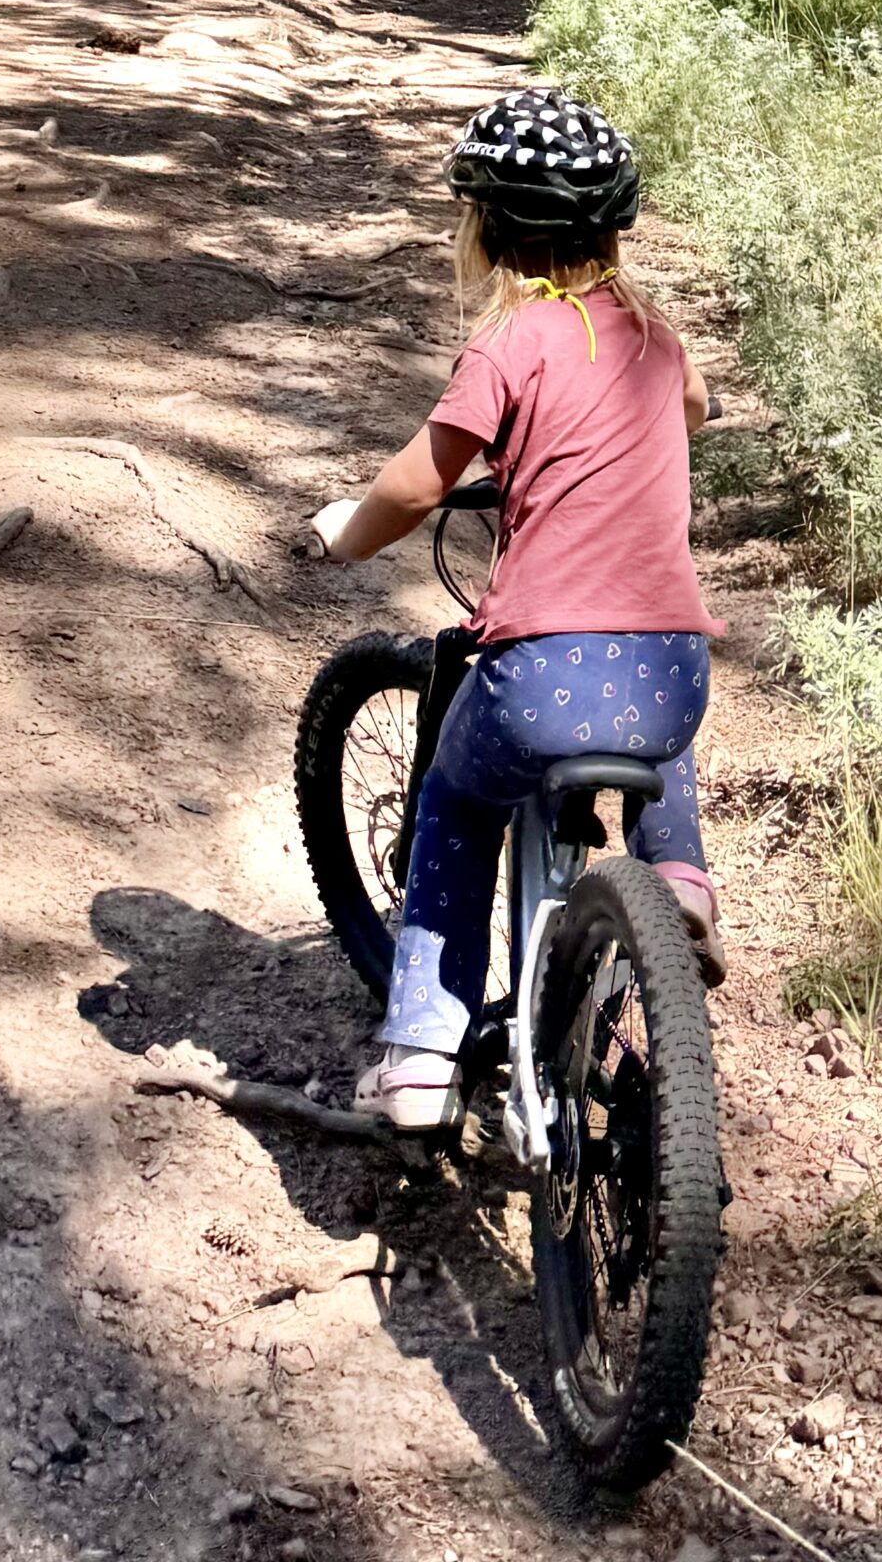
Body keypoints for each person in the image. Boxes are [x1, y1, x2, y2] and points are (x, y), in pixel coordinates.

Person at [310, 88, 725, 1131]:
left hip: (537, 677)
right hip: (673, 667)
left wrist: (348, 532)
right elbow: (695, 409)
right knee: (649, 726)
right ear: (614, 229)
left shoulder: (510, 346)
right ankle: (678, 880)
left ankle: (419, 1057)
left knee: (456, 804)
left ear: (489, 230)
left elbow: (415, 487)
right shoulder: (657, 340)